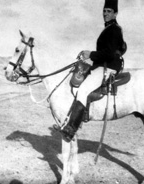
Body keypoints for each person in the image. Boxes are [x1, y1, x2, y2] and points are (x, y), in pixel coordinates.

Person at [60, 0, 126, 142]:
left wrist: (91, 54)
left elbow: (108, 53)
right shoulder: (109, 29)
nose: (105, 13)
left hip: (109, 67)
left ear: (115, 13)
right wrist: (90, 59)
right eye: (104, 11)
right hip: (103, 65)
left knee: (82, 90)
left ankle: (71, 129)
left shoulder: (114, 30)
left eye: (109, 11)